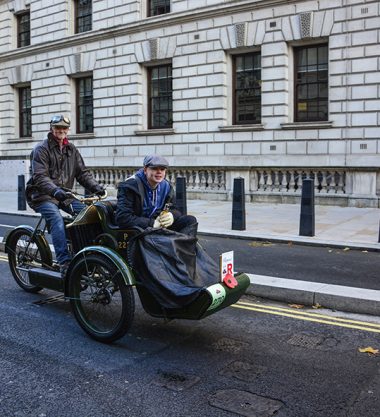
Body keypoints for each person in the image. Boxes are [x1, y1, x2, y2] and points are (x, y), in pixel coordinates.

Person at [26, 115, 105, 275]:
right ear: (51, 128)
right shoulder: (41, 149)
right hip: (42, 195)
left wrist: (97, 188)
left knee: (88, 214)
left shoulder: (72, 149)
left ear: (68, 130)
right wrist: (55, 191)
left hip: (64, 193)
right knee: (56, 219)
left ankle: (86, 254)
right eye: (58, 127)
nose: (61, 130)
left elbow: (82, 173)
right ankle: (64, 262)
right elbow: (40, 177)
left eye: (64, 128)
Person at [115, 155, 197, 234]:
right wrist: (152, 223)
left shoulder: (166, 186)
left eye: (162, 169)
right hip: (140, 230)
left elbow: (177, 209)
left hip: (158, 226)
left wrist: (171, 215)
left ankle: (184, 247)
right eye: (154, 168)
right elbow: (123, 218)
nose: (159, 172)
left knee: (190, 220)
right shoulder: (130, 186)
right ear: (145, 170)